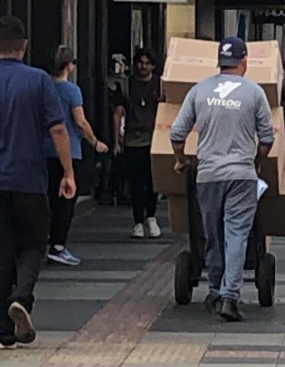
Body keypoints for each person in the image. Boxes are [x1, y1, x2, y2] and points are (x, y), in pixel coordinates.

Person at [0, 15, 76, 348]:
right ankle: (22, 296)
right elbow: (58, 128)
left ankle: (4, 329)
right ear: (24, 46)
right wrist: (67, 172)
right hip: (29, 179)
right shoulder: (38, 81)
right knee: (35, 243)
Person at [170, 36, 274, 322]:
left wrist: (181, 160)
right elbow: (267, 138)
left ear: (220, 62)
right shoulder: (254, 93)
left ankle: (214, 291)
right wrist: (257, 162)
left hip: (208, 175)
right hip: (241, 175)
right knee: (237, 235)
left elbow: (177, 133)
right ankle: (230, 296)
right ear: (244, 61)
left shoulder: (199, 91)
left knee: (212, 235)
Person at [44, 45, 108, 266]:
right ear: (69, 65)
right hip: (69, 151)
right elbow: (80, 122)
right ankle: (58, 246)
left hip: (44, 150)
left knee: (48, 197)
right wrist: (95, 142)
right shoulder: (72, 91)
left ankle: (44, 241)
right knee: (66, 200)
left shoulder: (43, 89)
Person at [112, 48, 162, 239]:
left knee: (152, 181)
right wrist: (116, 141)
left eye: (148, 63)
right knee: (136, 182)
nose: (144, 66)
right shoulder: (126, 85)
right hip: (132, 139)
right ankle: (138, 221)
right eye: (140, 62)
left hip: (154, 139)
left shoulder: (160, 84)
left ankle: (151, 216)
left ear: (153, 66)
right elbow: (117, 113)